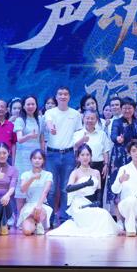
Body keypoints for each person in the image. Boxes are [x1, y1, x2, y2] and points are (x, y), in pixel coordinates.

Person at [49, 144, 120, 237]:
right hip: (79, 204)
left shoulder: (96, 172)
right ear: (78, 157)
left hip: (90, 204)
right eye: (82, 155)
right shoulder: (75, 172)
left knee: (104, 214)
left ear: (91, 157)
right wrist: (85, 184)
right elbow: (68, 188)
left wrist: (97, 202)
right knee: (100, 216)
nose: (85, 157)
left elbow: (99, 191)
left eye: (87, 155)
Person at [44, 87, 82, 226]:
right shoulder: (50, 112)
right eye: (60, 94)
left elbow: (78, 132)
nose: (63, 96)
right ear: (56, 96)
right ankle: (50, 218)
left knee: (66, 188)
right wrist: (51, 128)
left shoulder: (75, 114)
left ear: (69, 97)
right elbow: (49, 123)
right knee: (52, 189)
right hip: (52, 154)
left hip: (69, 154)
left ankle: (65, 218)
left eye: (65, 94)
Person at [107, 97, 137, 210]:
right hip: (119, 157)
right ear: (121, 109)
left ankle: (132, 212)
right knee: (118, 183)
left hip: (134, 157)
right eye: (125, 108)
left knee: (133, 184)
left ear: (134, 109)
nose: (127, 110)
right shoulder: (117, 122)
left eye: (129, 108)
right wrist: (117, 139)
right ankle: (118, 215)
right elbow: (113, 135)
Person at [71, 109, 112, 200]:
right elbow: (75, 147)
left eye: (92, 118)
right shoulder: (78, 133)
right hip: (82, 166)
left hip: (99, 166)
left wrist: (106, 164)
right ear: (83, 119)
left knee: (98, 193)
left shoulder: (102, 134)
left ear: (96, 120)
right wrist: (82, 140)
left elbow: (105, 151)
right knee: (83, 192)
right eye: (87, 118)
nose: (90, 120)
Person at [13, 95, 44, 216]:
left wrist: (43, 157)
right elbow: (19, 139)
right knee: (22, 185)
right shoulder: (20, 120)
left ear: (36, 105)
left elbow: (42, 140)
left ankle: (32, 216)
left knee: (35, 185)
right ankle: (20, 217)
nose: (30, 106)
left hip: (36, 157)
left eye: (33, 104)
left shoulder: (40, 120)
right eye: (28, 104)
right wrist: (30, 136)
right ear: (24, 106)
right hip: (23, 158)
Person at [16, 149, 53, 235]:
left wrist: (39, 206)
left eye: (40, 158)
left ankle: (38, 223)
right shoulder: (25, 174)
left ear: (43, 160)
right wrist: (32, 178)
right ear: (31, 160)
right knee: (27, 231)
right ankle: (36, 225)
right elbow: (22, 190)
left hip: (42, 204)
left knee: (39, 211)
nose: (37, 160)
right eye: (35, 158)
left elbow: (45, 192)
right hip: (29, 205)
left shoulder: (48, 174)